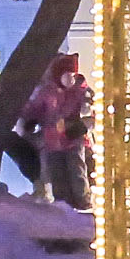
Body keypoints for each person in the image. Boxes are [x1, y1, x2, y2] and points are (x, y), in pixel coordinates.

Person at [20, 53, 93, 208]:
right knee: (57, 173)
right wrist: (29, 120)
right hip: (52, 140)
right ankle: (63, 205)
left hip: (73, 138)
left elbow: (91, 110)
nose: (69, 78)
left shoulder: (80, 91)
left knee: (77, 171)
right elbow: (35, 109)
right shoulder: (47, 92)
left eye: (71, 74)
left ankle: (83, 202)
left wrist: (83, 124)